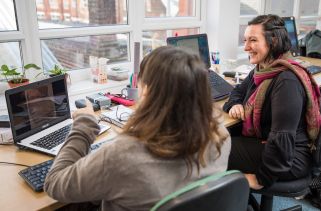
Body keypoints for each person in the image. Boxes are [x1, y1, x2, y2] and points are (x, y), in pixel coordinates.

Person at [44, 46, 231, 210]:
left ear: (147, 91)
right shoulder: (220, 135)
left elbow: (55, 183)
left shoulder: (123, 154)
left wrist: (84, 124)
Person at [223, 14, 321, 190]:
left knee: (213, 150)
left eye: (253, 40)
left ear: (274, 41)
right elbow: (237, 91)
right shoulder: (263, 69)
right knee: (218, 141)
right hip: (272, 144)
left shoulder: (286, 81)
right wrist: (235, 104)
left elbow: (281, 139)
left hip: (289, 158)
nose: (246, 47)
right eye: (245, 40)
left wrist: (261, 179)